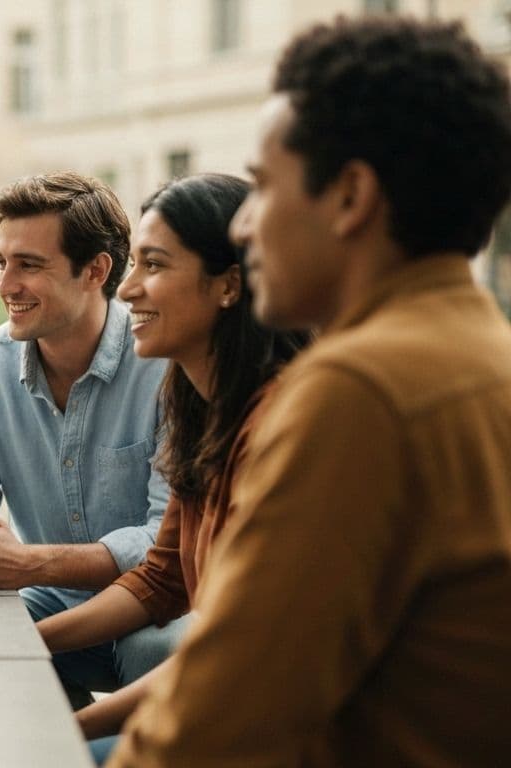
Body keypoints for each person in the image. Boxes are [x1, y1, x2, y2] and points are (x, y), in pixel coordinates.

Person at [111, 17, 511, 766]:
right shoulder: (478, 353)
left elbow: (213, 725)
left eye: (262, 186)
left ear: (351, 195)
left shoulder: (359, 391)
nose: (245, 223)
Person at [35, 174, 307, 762]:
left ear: (229, 285)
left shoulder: (279, 427)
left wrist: (66, 729)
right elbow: (161, 581)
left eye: (153, 266)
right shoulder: (201, 411)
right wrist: (26, 644)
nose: (127, 289)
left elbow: (235, 656)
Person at [0, 172, 178, 700]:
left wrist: (25, 562)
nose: (5, 285)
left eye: (29, 266)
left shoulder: (168, 363)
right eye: (1, 262)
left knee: (160, 649)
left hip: (158, 609)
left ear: (95, 271)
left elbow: (167, 543)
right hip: (48, 603)